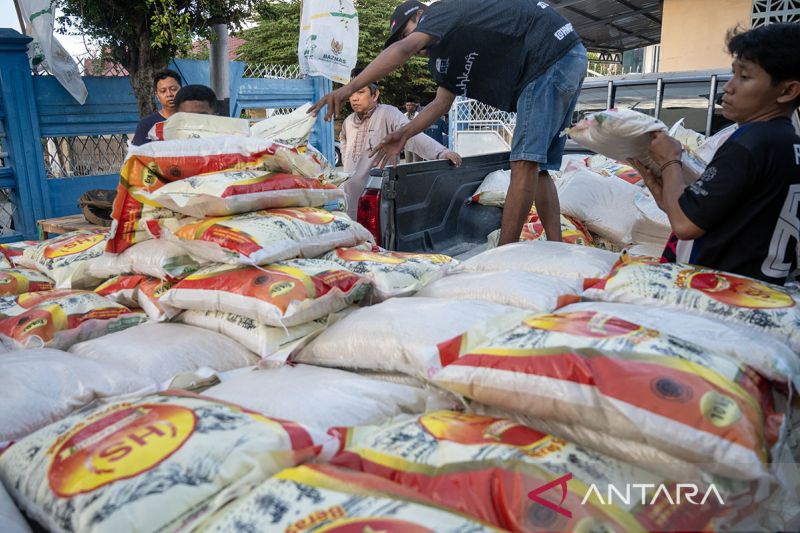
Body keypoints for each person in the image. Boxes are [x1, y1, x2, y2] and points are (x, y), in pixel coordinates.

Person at [310, 0, 587, 245]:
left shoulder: (440, 11)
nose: (412, 44)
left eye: (406, 32)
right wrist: (404, 133)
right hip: (563, 58)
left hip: (549, 55)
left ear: (419, 15)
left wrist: (346, 89)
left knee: (523, 163)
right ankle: (556, 246)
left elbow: (406, 48)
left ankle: (503, 258)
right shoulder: (443, 58)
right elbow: (440, 104)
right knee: (538, 170)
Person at [629, 23, 800, 286]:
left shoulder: (750, 143)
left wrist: (671, 160)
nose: (728, 88)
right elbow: (721, 215)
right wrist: (661, 189)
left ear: (788, 91)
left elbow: (686, 225)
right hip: (763, 291)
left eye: (744, 77)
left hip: (720, 291)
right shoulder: (786, 142)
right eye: (733, 74)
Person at [339, 70, 461, 218]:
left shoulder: (387, 113)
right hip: (350, 196)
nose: (354, 98)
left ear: (375, 94)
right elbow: (344, 144)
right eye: (351, 93)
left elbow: (411, 135)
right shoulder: (348, 121)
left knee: (379, 235)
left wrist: (441, 152)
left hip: (378, 194)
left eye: (360, 92)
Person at [132, 69, 182, 146]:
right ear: (157, 95)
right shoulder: (146, 125)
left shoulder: (193, 121)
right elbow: (139, 155)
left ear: (181, 90)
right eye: (163, 91)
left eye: (173, 89)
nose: (169, 94)